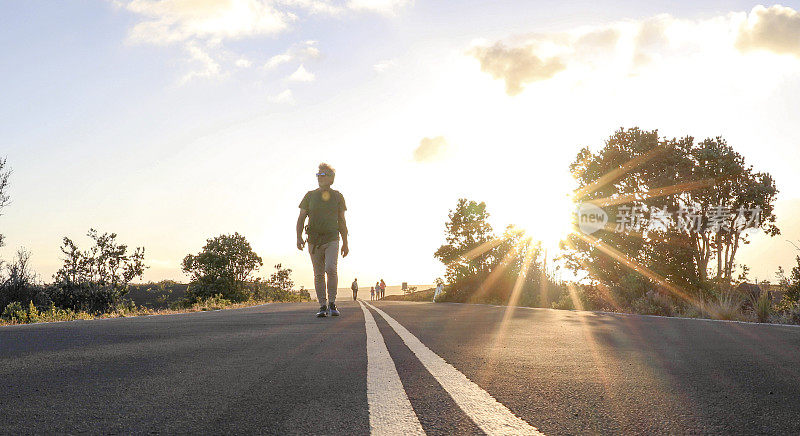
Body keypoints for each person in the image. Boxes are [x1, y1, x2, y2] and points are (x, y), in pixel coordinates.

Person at [297, 163, 349, 318]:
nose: (320, 178)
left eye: (323, 175)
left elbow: (342, 220)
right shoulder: (309, 196)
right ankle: (322, 305)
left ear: (331, 179)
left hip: (332, 238)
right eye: (318, 175)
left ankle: (332, 303)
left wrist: (345, 242)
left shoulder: (338, 196)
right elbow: (301, 218)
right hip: (314, 241)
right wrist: (298, 237)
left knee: (330, 269)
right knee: (318, 274)